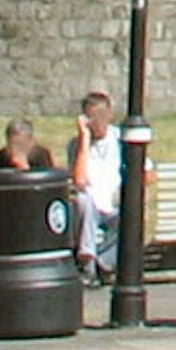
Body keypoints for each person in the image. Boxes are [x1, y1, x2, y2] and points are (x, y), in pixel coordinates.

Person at [69, 91, 123, 276]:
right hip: (91, 207)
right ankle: (87, 262)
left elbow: (148, 173)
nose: (97, 123)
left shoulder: (121, 139)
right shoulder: (76, 145)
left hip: (115, 204)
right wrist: (84, 141)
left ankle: (103, 265)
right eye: (92, 117)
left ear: (110, 115)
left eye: (101, 116)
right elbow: (79, 181)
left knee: (131, 217)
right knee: (83, 200)